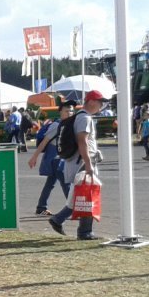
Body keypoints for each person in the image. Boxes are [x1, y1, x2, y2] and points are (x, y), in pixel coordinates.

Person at [48, 90, 106, 241]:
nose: (102, 105)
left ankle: (58, 219)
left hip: (77, 162)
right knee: (87, 195)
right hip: (82, 162)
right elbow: (82, 141)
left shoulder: (79, 117)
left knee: (79, 196)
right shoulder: (84, 118)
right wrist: (89, 164)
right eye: (100, 102)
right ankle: (84, 232)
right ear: (91, 101)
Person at [28, 101, 74, 216]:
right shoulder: (56, 125)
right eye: (67, 111)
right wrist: (34, 157)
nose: (69, 113)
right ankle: (73, 209)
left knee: (50, 184)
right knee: (66, 183)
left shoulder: (69, 124)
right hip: (56, 160)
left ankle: (41, 207)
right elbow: (44, 142)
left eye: (71, 111)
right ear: (60, 112)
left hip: (61, 159)